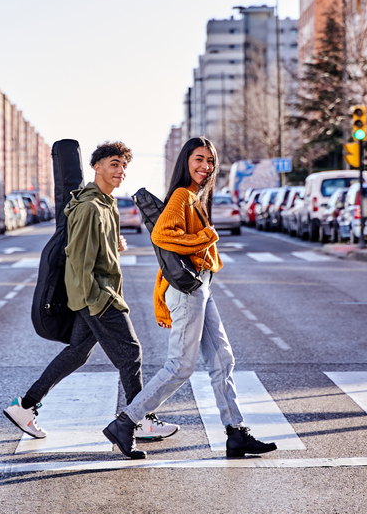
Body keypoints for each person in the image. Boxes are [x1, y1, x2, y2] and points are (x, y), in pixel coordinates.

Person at [102, 136, 277, 460]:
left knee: (222, 359)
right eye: (199, 159)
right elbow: (161, 235)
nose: (205, 166)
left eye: (210, 161)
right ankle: (126, 422)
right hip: (188, 290)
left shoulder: (196, 196)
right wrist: (206, 236)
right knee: (181, 365)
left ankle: (235, 432)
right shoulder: (182, 195)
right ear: (186, 161)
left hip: (201, 286)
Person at [4, 141, 178, 443]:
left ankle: (25, 406)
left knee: (77, 354)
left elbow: (94, 251)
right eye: (114, 164)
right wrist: (96, 300)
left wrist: (114, 246)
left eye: (124, 165)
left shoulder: (105, 204)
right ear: (96, 167)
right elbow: (79, 259)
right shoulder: (90, 207)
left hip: (96, 293)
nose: (120, 171)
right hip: (98, 295)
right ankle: (139, 420)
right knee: (131, 354)